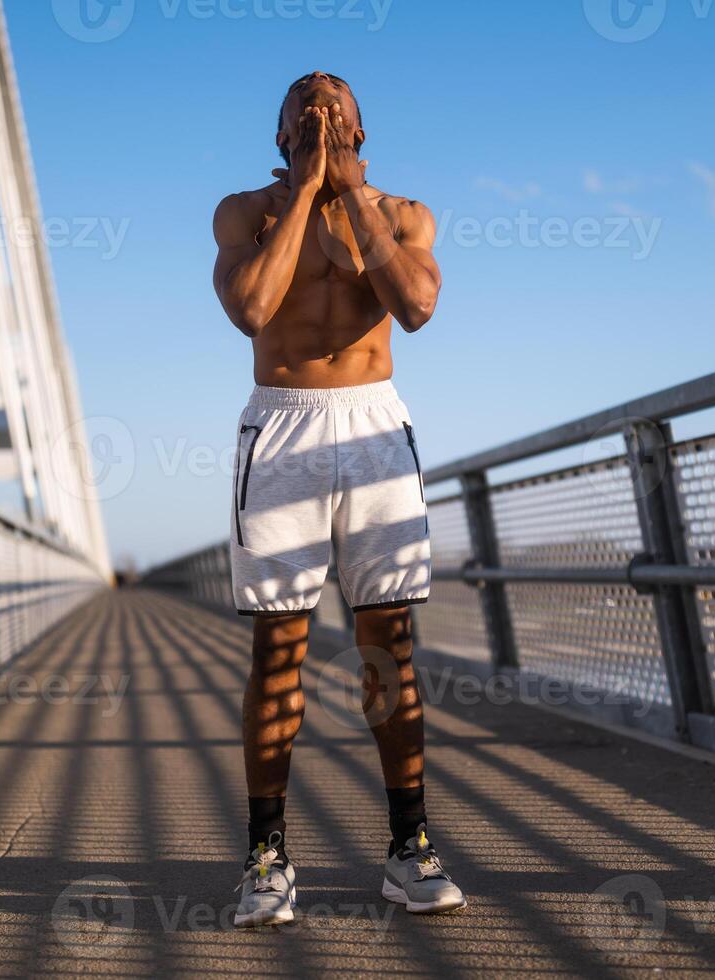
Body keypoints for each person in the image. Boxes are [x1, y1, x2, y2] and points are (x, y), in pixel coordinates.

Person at [211, 71, 465, 928]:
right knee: (277, 651)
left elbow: (418, 306)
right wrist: (311, 189)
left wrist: (348, 192)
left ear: (364, 129)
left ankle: (409, 848)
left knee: (387, 646)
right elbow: (252, 307)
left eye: (337, 112)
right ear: (279, 136)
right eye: (304, 113)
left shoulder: (401, 214)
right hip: (282, 428)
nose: (321, 118)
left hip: (370, 425)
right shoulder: (245, 212)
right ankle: (267, 856)